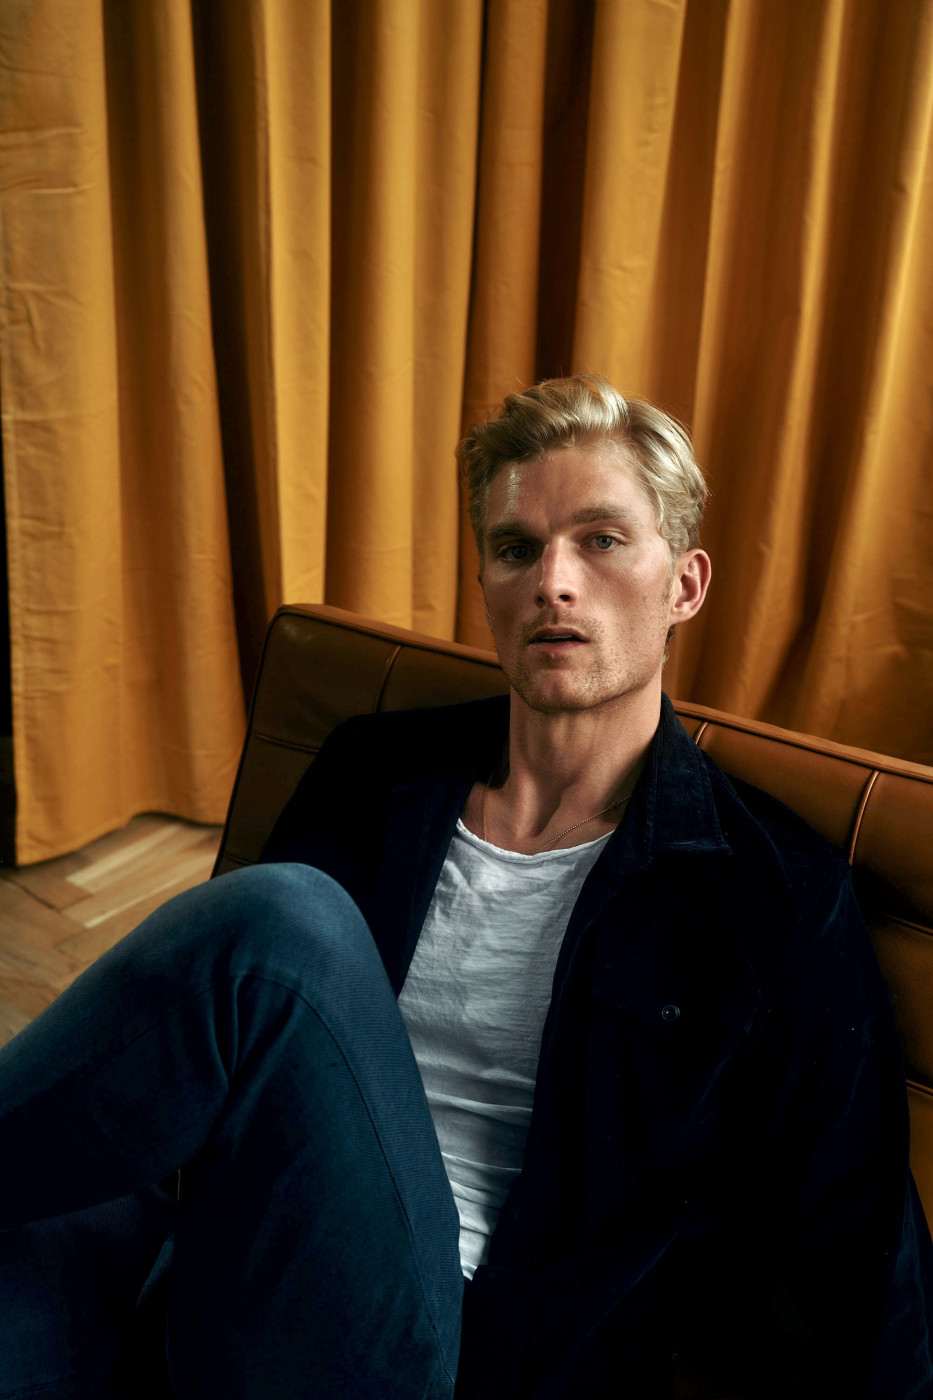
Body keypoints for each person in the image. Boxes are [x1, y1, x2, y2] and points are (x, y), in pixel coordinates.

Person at [1, 374, 930, 1399]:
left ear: (685, 584)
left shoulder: (772, 897)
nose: (553, 582)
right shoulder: (372, 772)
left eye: (602, 540)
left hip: (438, 1347)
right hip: (219, 1247)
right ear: (486, 581)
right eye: (516, 548)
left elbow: (859, 1250)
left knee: (280, 926)